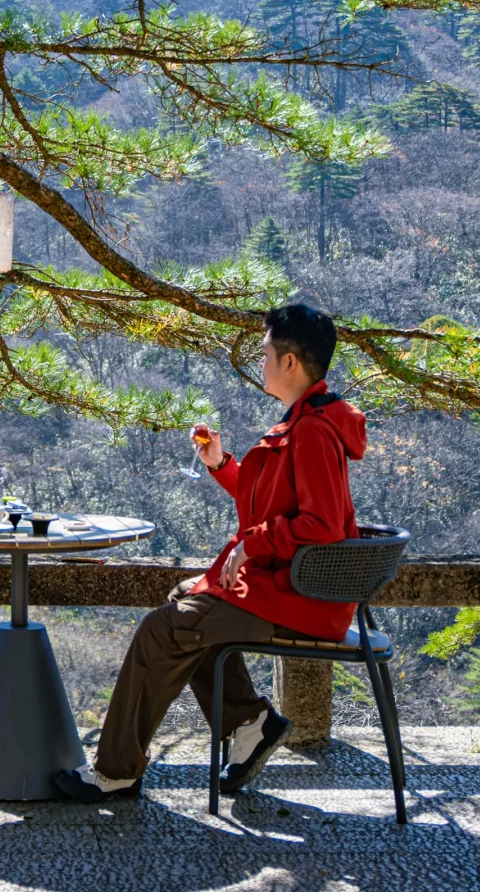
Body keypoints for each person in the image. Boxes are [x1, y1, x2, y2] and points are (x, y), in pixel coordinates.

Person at [55, 302, 367, 803]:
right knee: (187, 601)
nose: (260, 360)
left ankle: (115, 771)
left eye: (265, 351)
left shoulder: (310, 431)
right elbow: (273, 503)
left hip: (299, 599)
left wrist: (253, 542)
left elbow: (322, 526)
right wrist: (221, 464)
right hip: (287, 586)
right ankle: (249, 723)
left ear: (290, 362)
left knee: (165, 628)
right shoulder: (307, 420)